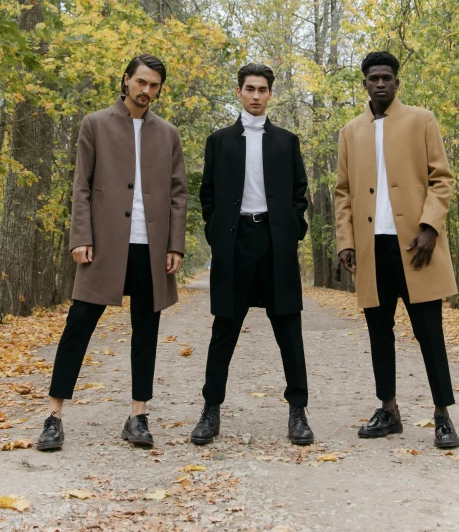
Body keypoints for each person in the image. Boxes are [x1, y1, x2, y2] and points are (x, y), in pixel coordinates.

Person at [36, 54, 187, 450]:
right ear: (126, 80)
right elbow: (81, 186)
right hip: (103, 245)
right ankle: (54, 416)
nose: (146, 90)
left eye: (154, 85)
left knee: (146, 332)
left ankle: (138, 415)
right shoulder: (95, 124)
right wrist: (80, 236)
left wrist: (175, 245)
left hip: (150, 248)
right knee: (79, 326)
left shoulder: (168, 133)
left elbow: (177, 194)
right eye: (140, 82)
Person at [335, 51, 459, 449]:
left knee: (429, 333)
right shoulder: (350, 132)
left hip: (416, 248)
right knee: (379, 333)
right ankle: (388, 410)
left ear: (397, 82)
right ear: (365, 83)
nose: (381, 84)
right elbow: (342, 194)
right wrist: (345, 242)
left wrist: (429, 227)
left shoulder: (421, 120)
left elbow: (442, 179)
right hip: (372, 250)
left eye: (387, 77)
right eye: (374, 78)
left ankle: (442, 415)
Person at [190, 63, 313, 446]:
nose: (256, 95)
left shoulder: (287, 141)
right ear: (240, 92)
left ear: (270, 94)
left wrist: (294, 228)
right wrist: (215, 231)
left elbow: (299, 193)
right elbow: (207, 194)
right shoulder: (220, 141)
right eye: (249, 89)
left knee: (288, 330)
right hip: (234, 241)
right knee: (224, 329)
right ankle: (210, 410)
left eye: (262, 89)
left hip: (276, 242)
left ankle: (298, 411)